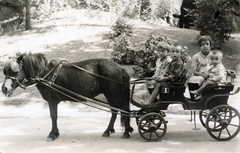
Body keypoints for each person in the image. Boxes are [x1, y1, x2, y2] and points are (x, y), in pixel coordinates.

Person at [188, 35, 213, 100]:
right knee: (196, 79)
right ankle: (194, 98)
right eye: (203, 44)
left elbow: (218, 66)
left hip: (210, 75)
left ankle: (204, 97)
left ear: (210, 45)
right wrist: (201, 75)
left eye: (207, 44)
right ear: (200, 46)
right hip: (199, 74)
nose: (205, 46)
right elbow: (194, 70)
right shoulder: (196, 57)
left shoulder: (213, 56)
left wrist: (208, 74)